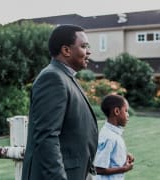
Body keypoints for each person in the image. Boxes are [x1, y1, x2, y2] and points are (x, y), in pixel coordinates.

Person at [21, 24, 98, 180]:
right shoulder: (53, 78)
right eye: (83, 46)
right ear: (66, 50)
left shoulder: (65, 76)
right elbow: (47, 136)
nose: (88, 51)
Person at [93, 94, 134, 180]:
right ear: (116, 111)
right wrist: (124, 169)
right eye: (126, 111)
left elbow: (111, 154)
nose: (128, 115)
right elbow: (99, 168)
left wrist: (124, 155)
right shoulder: (108, 137)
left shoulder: (113, 133)